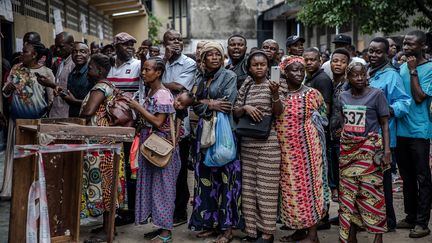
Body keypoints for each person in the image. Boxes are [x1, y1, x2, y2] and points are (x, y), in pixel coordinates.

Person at [189, 42, 242, 243]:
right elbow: (193, 103)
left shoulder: (229, 76)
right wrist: (209, 103)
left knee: (227, 180)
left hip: (224, 133)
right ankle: (209, 224)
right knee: (206, 180)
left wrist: (202, 103)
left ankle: (227, 228)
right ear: (203, 58)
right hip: (204, 134)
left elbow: (227, 104)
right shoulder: (200, 77)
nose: (214, 58)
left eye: (217, 55)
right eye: (209, 55)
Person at [128, 57, 180, 243]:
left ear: (158, 72)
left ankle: (166, 234)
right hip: (151, 145)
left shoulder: (163, 94)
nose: (143, 72)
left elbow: (158, 121)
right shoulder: (152, 90)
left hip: (161, 146)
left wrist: (137, 107)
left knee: (164, 188)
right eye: (143, 69)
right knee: (154, 187)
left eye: (148, 69)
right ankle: (159, 227)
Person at [276, 56, 328, 243]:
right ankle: (299, 231)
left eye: (301, 70)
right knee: (290, 192)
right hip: (284, 149)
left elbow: (323, 117)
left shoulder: (312, 94)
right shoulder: (278, 94)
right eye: (293, 70)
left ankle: (313, 235)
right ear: (284, 72)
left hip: (306, 149)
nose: (298, 74)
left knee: (309, 190)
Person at [338, 62, 391, 243]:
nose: (359, 78)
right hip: (348, 153)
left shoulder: (377, 95)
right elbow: (343, 120)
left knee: (373, 193)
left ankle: (378, 236)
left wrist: (386, 151)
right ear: (348, 77)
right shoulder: (343, 96)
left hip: (370, 152)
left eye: (362, 75)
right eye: (355, 75)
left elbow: (384, 124)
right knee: (348, 194)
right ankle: (350, 235)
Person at [233, 50, 283, 243]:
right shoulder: (247, 85)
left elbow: (279, 112)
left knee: (266, 190)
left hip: (268, 144)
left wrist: (275, 93)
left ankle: (267, 233)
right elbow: (236, 112)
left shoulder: (276, 84)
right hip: (247, 143)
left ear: (268, 67)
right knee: (249, 190)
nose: (260, 67)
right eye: (256, 65)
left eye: (263, 64)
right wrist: (246, 108)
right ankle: (252, 232)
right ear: (250, 67)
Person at [367, 37, 411, 231]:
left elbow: (404, 103)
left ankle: (388, 222)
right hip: (363, 136)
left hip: (383, 137)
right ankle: (369, 218)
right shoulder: (367, 72)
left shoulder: (391, 75)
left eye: (378, 52)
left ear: (387, 54)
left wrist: (385, 110)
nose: (374, 55)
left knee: (383, 182)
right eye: (371, 51)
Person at [79, 53, 123, 242]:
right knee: (109, 185)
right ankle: (109, 227)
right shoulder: (110, 85)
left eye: (91, 68)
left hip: (100, 144)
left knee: (104, 185)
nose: (88, 71)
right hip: (107, 142)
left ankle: (108, 231)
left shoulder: (100, 87)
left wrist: (81, 111)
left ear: (101, 70)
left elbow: (88, 112)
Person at [1, 41, 54, 198]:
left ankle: (35, 188)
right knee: (15, 155)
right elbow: (5, 92)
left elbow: (51, 99)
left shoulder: (46, 72)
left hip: (37, 122)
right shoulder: (16, 69)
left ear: (34, 55)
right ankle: (13, 187)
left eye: (25, 51)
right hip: (17, 120)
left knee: (34, 156)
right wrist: (7, 90)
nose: (21, 54)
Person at [396, 30, 432, 238]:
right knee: (406, 176)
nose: (406, 47)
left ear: (423, 46)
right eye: (405, 44)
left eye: (411, 44)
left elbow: (419, 97)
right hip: (401, 130)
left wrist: (412, 71)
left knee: (422, 177)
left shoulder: (428, 68)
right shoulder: (401, 67)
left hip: (419, 130)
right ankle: (410, 216)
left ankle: (422, 222)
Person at [161, 29, 196, 227]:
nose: (176, 42)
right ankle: (164, 209)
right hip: (158, 122)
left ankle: (180, 211)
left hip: (178, 123)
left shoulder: (188, 63)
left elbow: (179, 88)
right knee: (162, 169)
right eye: (171, 39)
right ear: (164, 43)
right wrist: (163, 62)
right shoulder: (160, 61)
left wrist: (156, 83)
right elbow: (148, 79)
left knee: (180, 171)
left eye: (179, 39)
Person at [107, 32, 142, 223]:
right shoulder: (108, 65)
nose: (130, 48)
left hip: (130, 125)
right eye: (125, 45)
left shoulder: (138, 65)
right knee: (113, 168)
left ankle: (132, 210)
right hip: (109, 126)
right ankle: (115, 208)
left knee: (130, 169)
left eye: (132, 45)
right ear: (115, 47)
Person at [328, 48, 351, 203]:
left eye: (343, 62)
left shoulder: (349, 85)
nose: (338, 64)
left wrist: (345, 128)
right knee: (333, 171)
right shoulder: (329, 83)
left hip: (343, 136)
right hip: (330, 134)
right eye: (335, 61)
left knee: (345, 173)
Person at [49, 32, 75, 118]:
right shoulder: (62, 62)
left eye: (61, 46)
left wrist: (50, 84)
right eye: (56, 46)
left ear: (71, 45)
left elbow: (71, 93)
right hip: (57, 112)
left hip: (66, 114)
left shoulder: (73, 64)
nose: (57, 50)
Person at [65, 42, 92, 117]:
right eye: (74, 52)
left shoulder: (91, 73)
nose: (78, 54)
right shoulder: (72, 73)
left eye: (82, 52)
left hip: (87, 118)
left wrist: (74, 101)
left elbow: (95, 102)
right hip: (73, 116)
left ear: (89, 53)